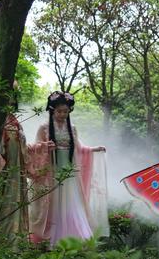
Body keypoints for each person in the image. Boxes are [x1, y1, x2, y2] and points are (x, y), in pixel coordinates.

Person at [27, 90, 109, 246]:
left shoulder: (72, 127)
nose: (62, 114)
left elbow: (79, 148)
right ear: (52, 110)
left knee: (71, 201)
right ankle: (50, 236)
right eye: (59, 111)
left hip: (69, 170)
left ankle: (72, 234)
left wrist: (94, 149)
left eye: (65, 111)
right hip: (51, 168)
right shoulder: (44, 127)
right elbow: (36, 147)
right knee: (53, 200)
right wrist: (45, 146)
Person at [0, 82, 33, 239]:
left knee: (14, 197)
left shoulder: (14, 120)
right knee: (2, 197)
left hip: (15, 169)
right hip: (4, 168)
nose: (10, 100)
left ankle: (14, 236)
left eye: (12, 97)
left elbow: (22, 146)